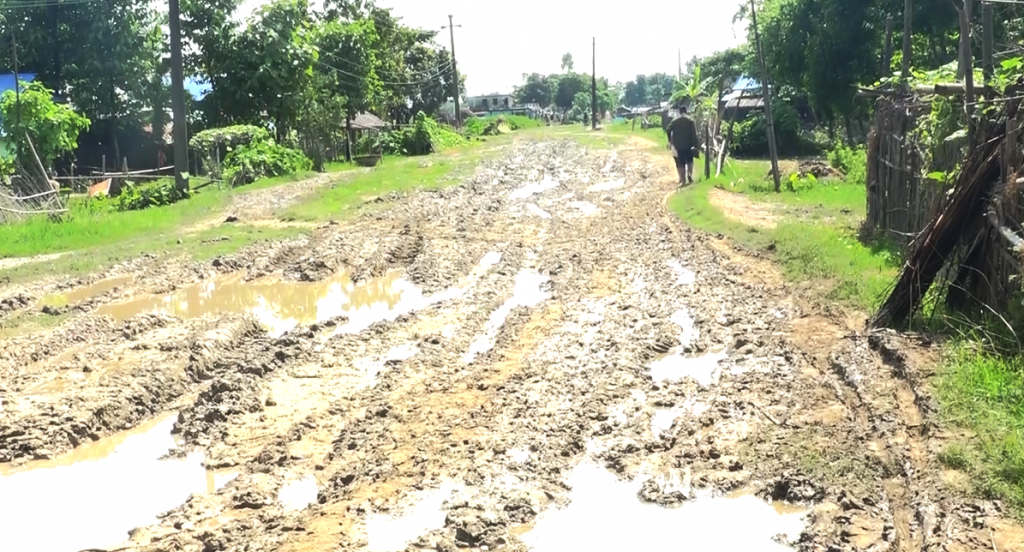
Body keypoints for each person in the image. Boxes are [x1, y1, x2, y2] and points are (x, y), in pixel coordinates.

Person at [666, 105, 700, 185]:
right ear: (686, 111)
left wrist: (670, 140)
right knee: (690, 161)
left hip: (679, 145)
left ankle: (683, 180)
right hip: (689, 144)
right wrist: (696, 144)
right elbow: (693, 133)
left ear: (679, 112)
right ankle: (689, 175)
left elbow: (668, 129)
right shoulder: (690, 120)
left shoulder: (675, 120)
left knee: (681, 163)